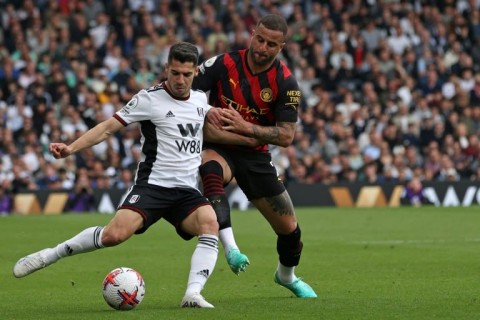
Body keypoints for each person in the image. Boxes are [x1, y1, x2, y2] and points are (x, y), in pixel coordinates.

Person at [12, 42, 258, 308]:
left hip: (186, 191)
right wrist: (70, 148)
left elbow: (210, 124)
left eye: (186, 74)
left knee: (209, 222)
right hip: (152, 186)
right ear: (166, 68)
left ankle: (193, 294)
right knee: (113, 236)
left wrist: (253, 136)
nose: (180, 80)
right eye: (175, 72)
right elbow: (107, 128)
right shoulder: (149, 99)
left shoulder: (200, 100)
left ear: (194, 73)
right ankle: (51, 254)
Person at [192, 14, 317, 298]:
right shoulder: (222, 64)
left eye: (271, 44)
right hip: (219, 146)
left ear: (281, 47)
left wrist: (244, 127)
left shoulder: (287, 84)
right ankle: (231, 247)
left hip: (256, 157)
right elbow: (188, 92)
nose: (262, 47)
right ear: (252, 33)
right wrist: (209, 114)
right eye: (259, 39)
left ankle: (286, 277)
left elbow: (286, 136)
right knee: (209, 168)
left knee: (290, 231)